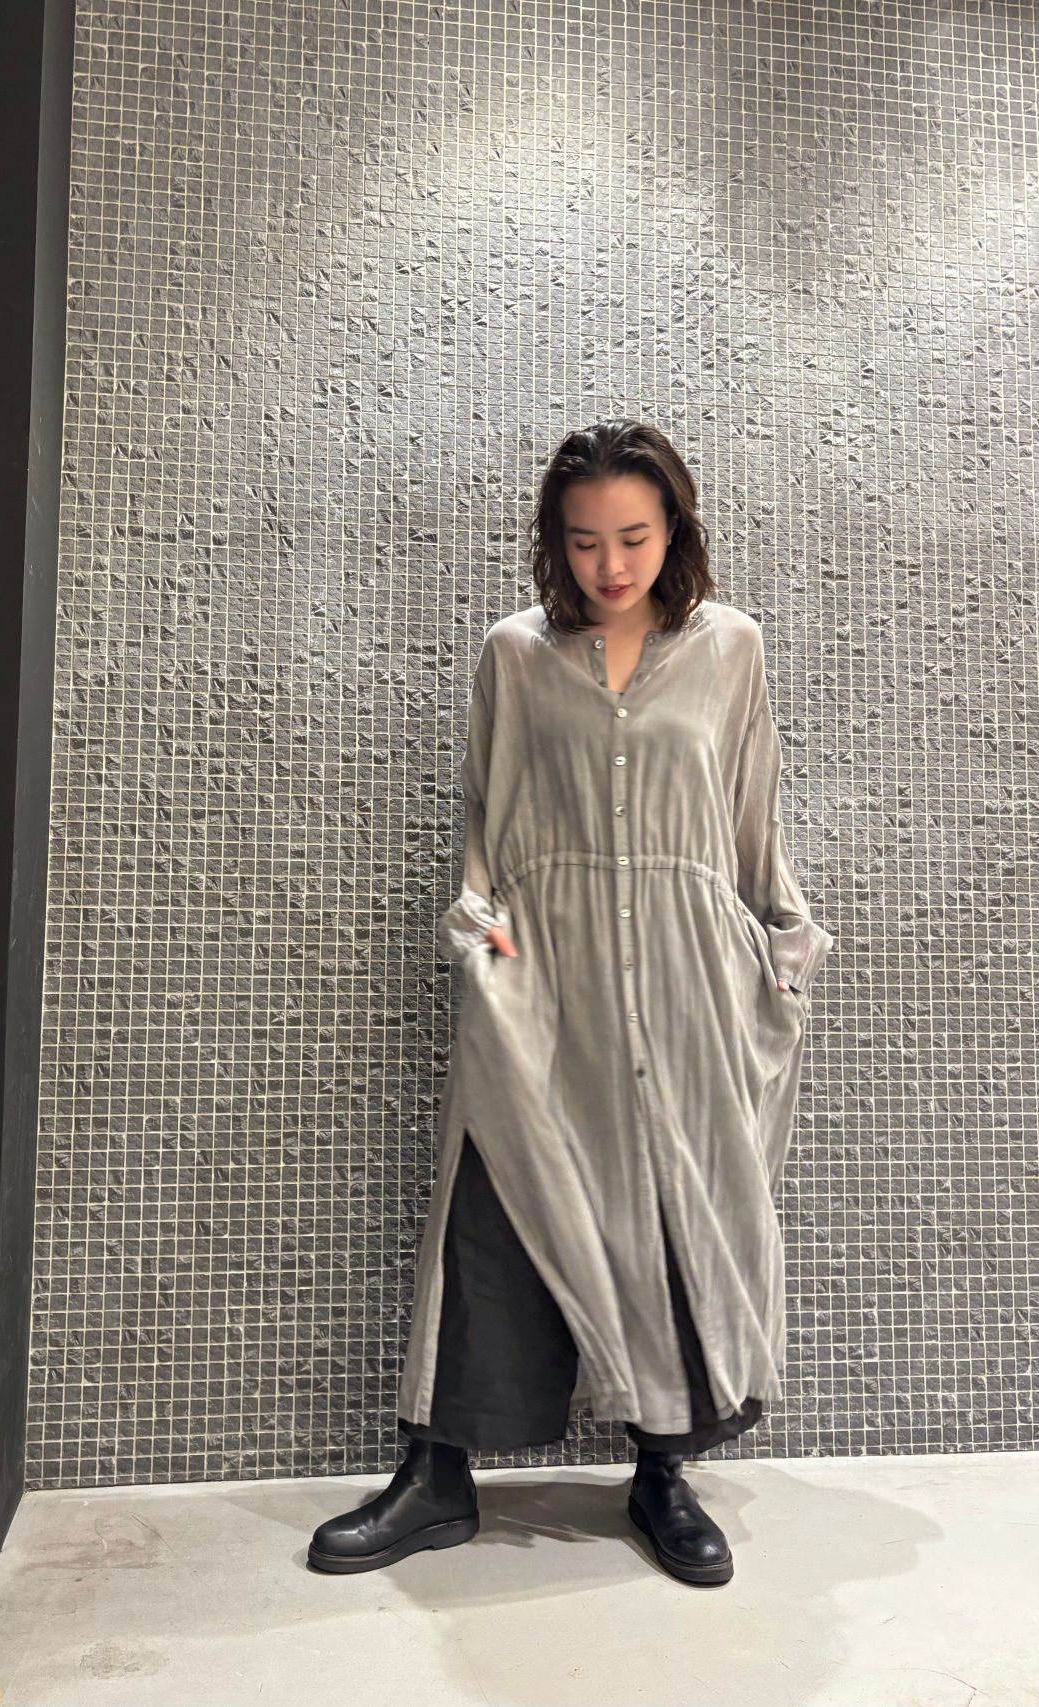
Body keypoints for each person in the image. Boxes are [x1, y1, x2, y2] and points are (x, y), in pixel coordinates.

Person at [308, 418, 834, 1583]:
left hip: (689, 990)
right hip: (542, 978)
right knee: (493, 1205)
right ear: (555, 540)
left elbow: (752, 825)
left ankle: (661, 1473)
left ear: (673, 530)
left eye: (633, 536)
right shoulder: (515, 654)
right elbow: (483, 827)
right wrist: (479, 935)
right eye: (585, 539)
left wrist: (782, 956)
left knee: (674, 1210)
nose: (610, 564)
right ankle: (434, 1476)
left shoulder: (729, 648)